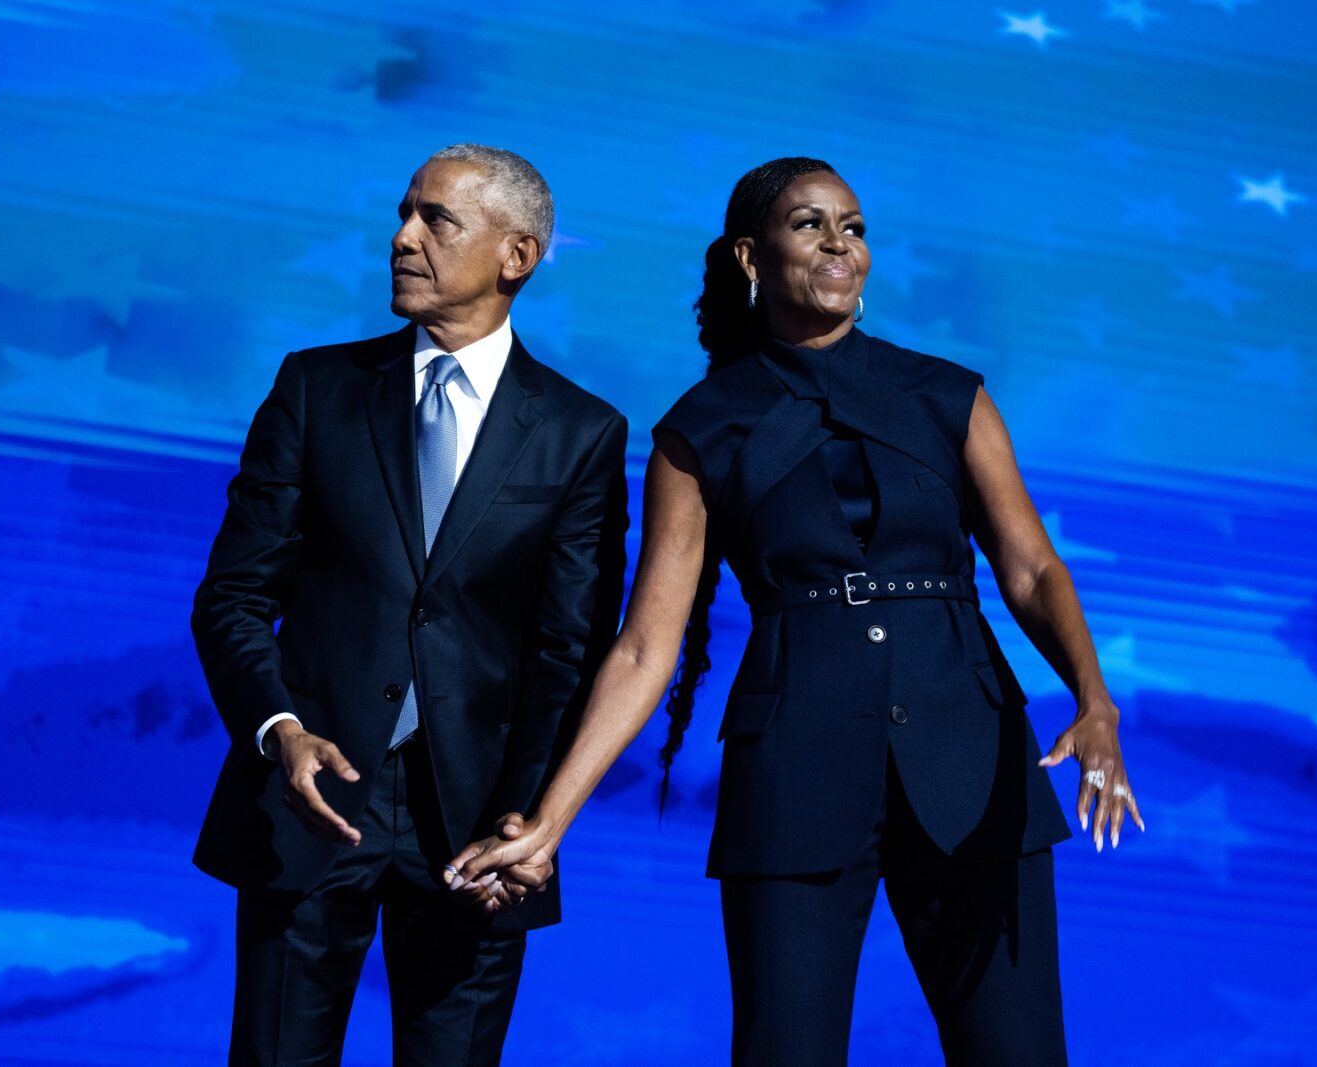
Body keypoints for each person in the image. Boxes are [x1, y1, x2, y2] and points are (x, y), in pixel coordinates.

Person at [448, 157, 1143, 1065]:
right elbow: (645, 647)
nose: (838, 245)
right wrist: (549, 820)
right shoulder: (699, 430)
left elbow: (1032, 568)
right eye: (810, 224)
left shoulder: (948, 394)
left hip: (971, 757)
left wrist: (1094, 701)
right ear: (750, 254)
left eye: (853, 227)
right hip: (795, 773)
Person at [190, 143, 628, 1066]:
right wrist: (279, 728)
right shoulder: (316, 390)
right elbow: (232, 595)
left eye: (437, 219)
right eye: (403, 212)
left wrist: (528, 818)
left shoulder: (582, 434)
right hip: (309, 809)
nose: (403, 237)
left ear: (517, 256)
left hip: (479, 836)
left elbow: (571, 650)